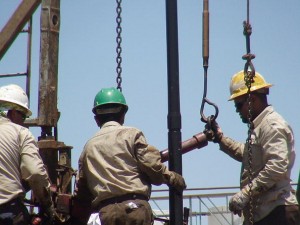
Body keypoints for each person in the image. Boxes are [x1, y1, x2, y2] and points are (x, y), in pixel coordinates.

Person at [74, 87, 186, 225]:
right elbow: (152, 167)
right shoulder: (132, 135)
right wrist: (173, 178)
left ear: (96, 119)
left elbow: (82, 191)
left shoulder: (88, 147)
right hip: (135, 210)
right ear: (123, 115)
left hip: (106, 215)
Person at [204, 71, 300, 225]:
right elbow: (250, 157)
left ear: (252, 99)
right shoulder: (261, 127)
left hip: (277, 213)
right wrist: (221, 139)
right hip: (265, 214)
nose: (237, 110)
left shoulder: (272, 125)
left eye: (238, 105)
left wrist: (246, 194)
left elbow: (276, 166)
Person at [0, 84, 57, 224]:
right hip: (7, 212)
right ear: (13, 113)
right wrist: (48, 206)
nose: (24, 122)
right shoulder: (20, 133)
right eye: (24, 117)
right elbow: (35, 173)